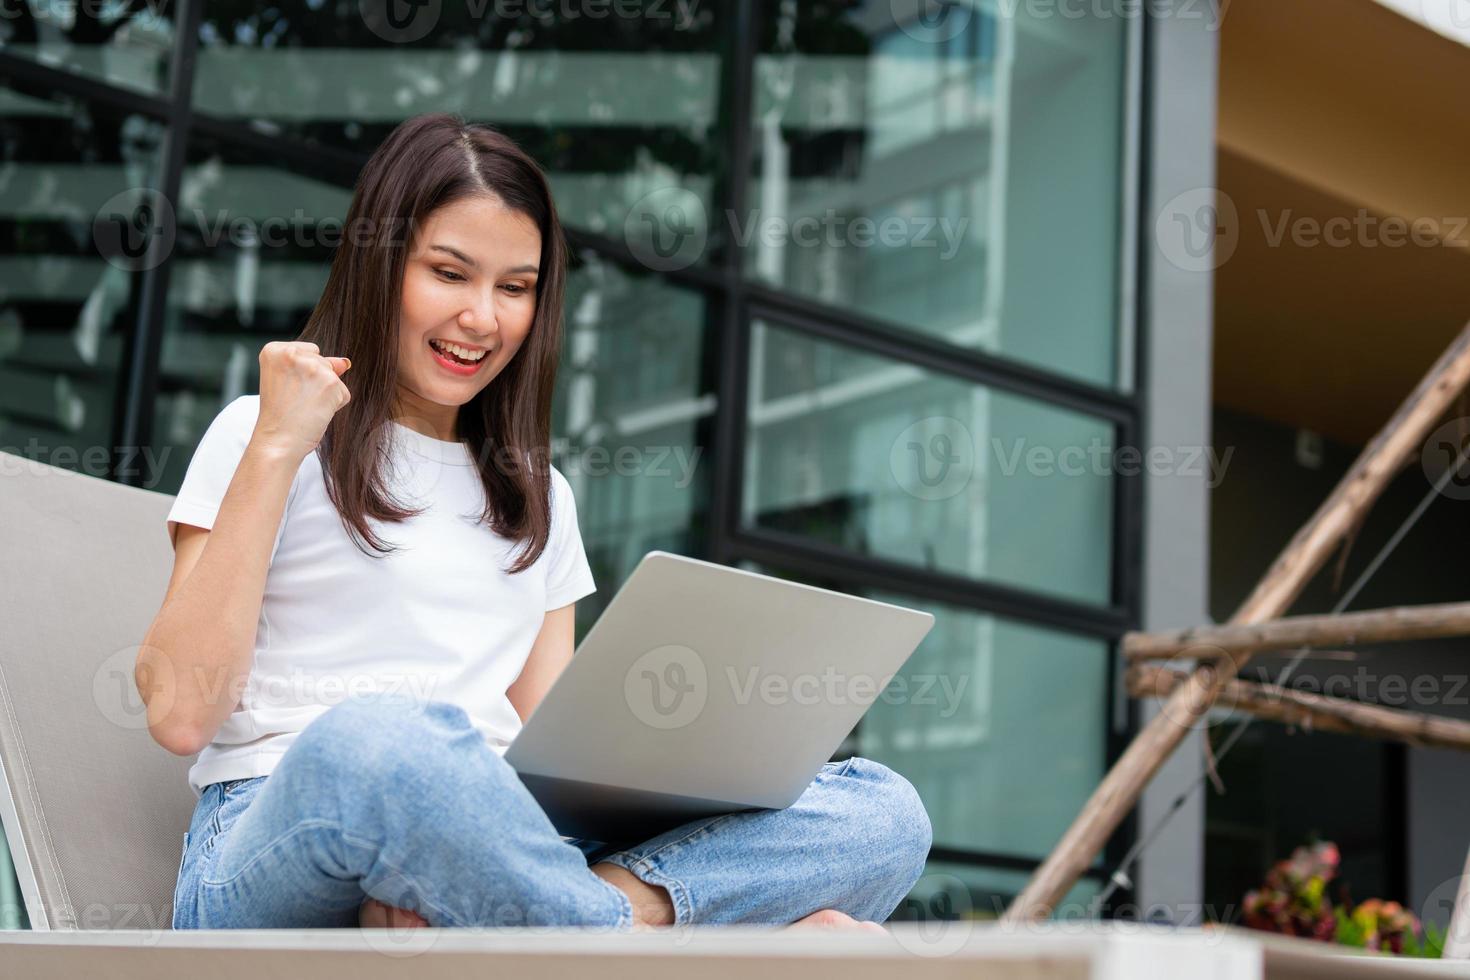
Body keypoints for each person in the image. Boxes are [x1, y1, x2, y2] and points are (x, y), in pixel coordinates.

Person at [138, 112, 932, 932]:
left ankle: (573, 918)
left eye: (514, 288)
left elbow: (564, 752)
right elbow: (178, 713)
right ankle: (618, 935)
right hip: (284, 825)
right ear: (382, 268)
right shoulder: (261, 432)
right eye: (450, 273)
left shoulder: (539, 495)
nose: (483, 318)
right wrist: (277, 447)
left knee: (882, 811)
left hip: (503, 832)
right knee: (380, 743)